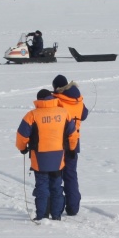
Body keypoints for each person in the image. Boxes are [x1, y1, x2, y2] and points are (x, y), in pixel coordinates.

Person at [16, 89, 78, 221]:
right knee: (56, 186)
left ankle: (42, 215)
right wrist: (72, 148)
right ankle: (56, 215)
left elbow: (21, 135)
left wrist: (22, 148)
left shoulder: (32, 115)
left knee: (42, 186)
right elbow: (73, 134)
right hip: (58, 157)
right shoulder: (64, 113)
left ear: (38, 100)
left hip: (39, 158)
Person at [52, 74, 89, 216]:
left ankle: (57, 207)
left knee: (55, 175)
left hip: (57, 143)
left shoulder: (57, 100)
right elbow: (84, 115)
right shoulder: (79, 101)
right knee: (71, 174)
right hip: (74, 142)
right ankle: (73, 207)